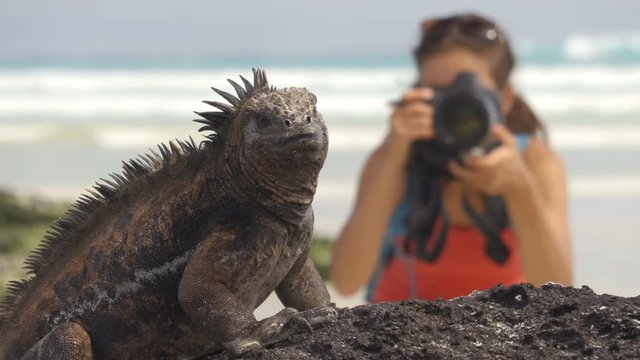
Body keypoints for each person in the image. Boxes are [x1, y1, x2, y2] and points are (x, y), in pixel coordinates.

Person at [330, 13, 572, 302]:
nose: (454, 106)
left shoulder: (534, 162)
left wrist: (521, 191)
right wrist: (394, 158)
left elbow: (559, 292)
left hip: (504, 337)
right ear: (416, 93)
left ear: (505, 98)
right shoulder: (397, 157)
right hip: (397, 333)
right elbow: (346, 281)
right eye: (437, 92)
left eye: (469, 92)